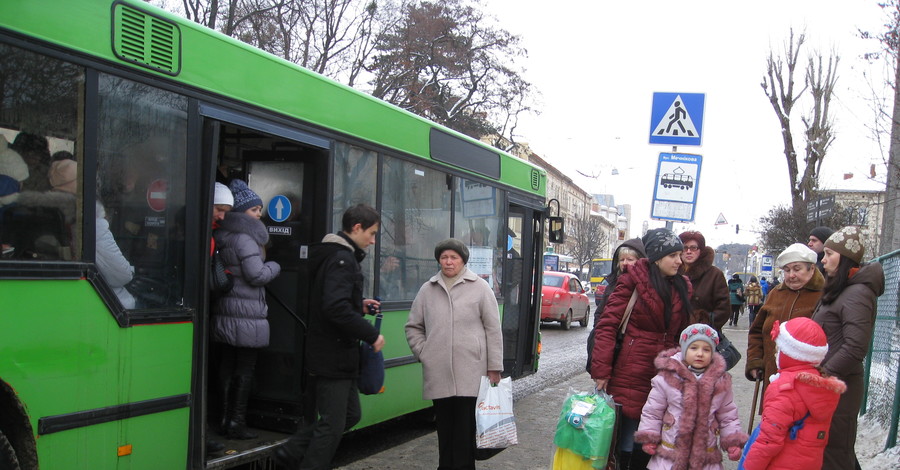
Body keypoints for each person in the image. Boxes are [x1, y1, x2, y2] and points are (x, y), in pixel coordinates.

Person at [275, 204, 385, 470]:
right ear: (356, 228)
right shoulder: (341, 259)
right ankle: (297, 458)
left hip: (337, 354)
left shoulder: (336, 256)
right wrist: (370, 334)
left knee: (350, 415)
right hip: (332, 354)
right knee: (333, 425)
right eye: (371, 233)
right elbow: (334, 308)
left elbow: (333, 301)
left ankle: (290, 452)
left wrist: (357, 305)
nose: (372, 241)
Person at [590, 228, 692, 470]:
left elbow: (683, 333)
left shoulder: (683, 286)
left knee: (656, 439)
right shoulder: (631, 280)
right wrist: (601, 371)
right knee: (627, 439)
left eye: (680, 255)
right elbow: (606, 326)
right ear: (657, 257)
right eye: (673, 255)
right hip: (630, 372)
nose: (679, 260)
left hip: (667, 375)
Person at [405, 238, 503, 470]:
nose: (448, 262)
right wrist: (423, 352)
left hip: (472, 372)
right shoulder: (428, 289)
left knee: (464, 434)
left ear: (463, 261)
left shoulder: (479, 287)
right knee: (445, 433)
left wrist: (494, 367)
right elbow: (413, 326)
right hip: (439, 372)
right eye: (444, 257)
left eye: (453, 258)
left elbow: (493, 329)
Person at [211, 179, 281, 440]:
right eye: (254, 210)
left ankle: (222, 418)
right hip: (247, 314)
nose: (259, 214)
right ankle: (236, 422)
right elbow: (256, 275)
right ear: (242, 213)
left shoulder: (222, 235)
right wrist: (276, 266)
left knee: (227, 365)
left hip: (226, 311)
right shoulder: (246, 238)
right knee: (245, 368)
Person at [811, 226, 884, 470]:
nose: (823, 259)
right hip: (830, 384)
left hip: (840, 387)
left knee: (835, 452)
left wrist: (823, 374)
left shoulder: (857, 293)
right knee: (832, 450)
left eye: (829, 253)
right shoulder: (841, 288)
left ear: (844, 257)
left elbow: (855, 346)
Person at [635, 323, 747, 469]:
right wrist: (649, 436)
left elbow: (728, 416)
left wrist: (732, 441)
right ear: (684, 349)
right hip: (670, 454)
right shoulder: (667, 378)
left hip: (705, 455)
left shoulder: (720, 382)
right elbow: (653, 411)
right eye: (694, 348)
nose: (700, 353)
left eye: (706, 349)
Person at [741, 318, 846, 470]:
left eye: (779, 349)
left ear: (790, 354)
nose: (776, 352)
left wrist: (749, 466)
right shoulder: (821, 386)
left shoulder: (784, 390)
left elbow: (768, 441)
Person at [745, 243, 824, 396]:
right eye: (786, 270)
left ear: (812, 268)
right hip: (773, 376)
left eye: (797, 269)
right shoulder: (776, 294)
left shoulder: (822, 296)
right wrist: (755, 361)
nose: (791, 275)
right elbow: (756, 332)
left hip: (806, 381)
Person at [585, 238, 645, 373]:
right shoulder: (612, 284)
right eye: (621, 259)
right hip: (609, 346)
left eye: (630, 259)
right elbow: (600, 313)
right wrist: (600, 335)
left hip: (629, 349)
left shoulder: (644, 286)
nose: (625, 263)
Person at [206, 182, 232, 454]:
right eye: (219, 209)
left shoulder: (214, 233)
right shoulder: (204, 233)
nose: (222, 216)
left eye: (226, 211)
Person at [678, 231, 730, 330]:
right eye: (684, 248)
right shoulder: (672, 272)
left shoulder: (714, 275)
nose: (689, 251)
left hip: (703, 336)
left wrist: (703, 324)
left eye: (693, 248)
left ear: (701, 250)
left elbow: (723, 309)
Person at [95, 201, 136, 309]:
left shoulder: (61, 218)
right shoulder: (97, 226)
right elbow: (121, 275)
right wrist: (131, 270)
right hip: (110, 305)